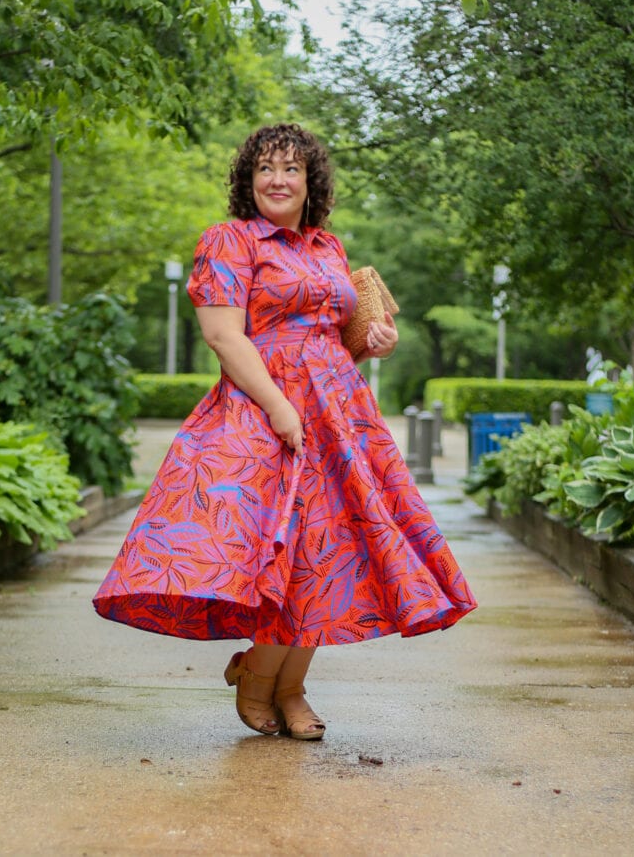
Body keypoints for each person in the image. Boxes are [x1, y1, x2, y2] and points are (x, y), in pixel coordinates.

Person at [93, 123, 477, 741]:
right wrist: (278, 407)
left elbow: (343, 337)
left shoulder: (329, 248)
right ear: (249, 181)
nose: (278, 179)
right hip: (260, 410)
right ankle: (261, 679)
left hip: (339, 413)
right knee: (280, 549)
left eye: (291, 169)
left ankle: (287, 684)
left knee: (331, 551)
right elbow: (223, 336)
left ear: (310, 183)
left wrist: (377, 342)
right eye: (266, 168)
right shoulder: (229, 240)